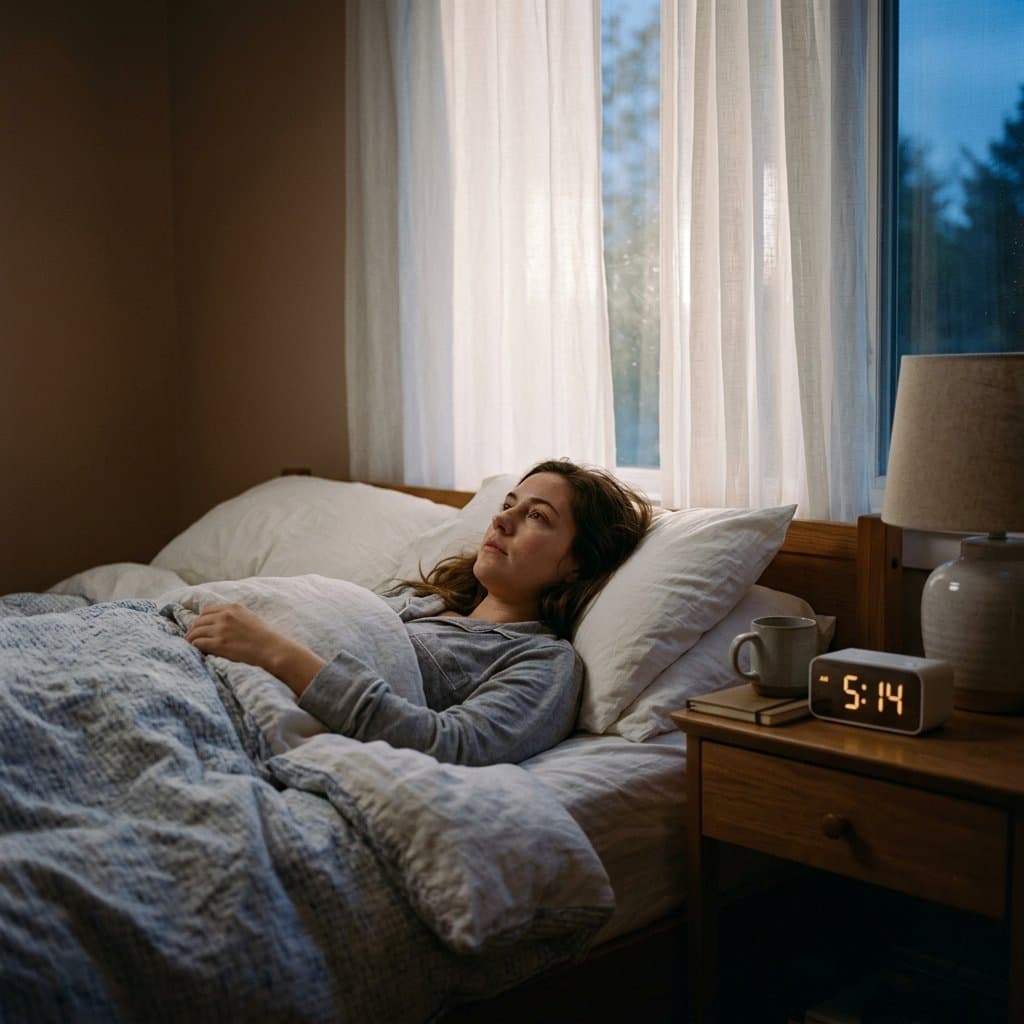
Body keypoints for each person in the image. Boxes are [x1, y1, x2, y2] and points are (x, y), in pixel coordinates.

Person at [185, 460, 653, 765]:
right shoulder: (422, 602)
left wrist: (275, 651)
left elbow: (450, 745)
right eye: (508, 505)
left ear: (577, 564)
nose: (501, 519)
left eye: (537, 516)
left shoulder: (545, 662)